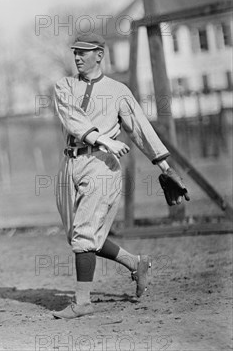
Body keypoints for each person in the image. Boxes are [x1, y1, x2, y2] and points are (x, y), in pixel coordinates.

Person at [52, 33, 189, 319]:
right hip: (70, 162)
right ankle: (135, 263)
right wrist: (103, 138)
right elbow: (71, 117)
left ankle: (83, 302)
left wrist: (164, 166)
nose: (77, 57)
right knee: (79, 236)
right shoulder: (64, 85)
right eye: (75, 52)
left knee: (84, 234)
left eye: (84, 52)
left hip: (102, 166)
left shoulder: (118, 90)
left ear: (99, 55)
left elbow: (140, 128)